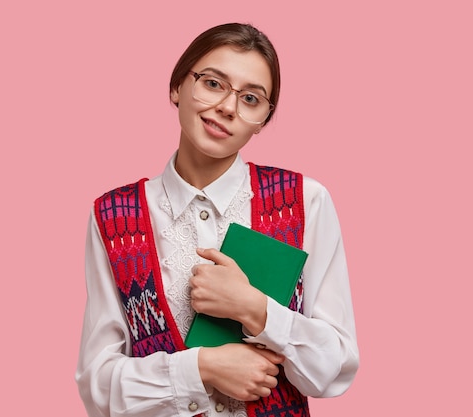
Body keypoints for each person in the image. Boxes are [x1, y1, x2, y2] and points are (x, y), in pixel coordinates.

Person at [76, 22, 359, 417]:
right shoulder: (113, 215)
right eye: (212, 83)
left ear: (263, 119)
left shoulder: (305, 201)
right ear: (177, 86)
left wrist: (255, 309)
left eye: (250, 98)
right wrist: (201, 368)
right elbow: (97, 385)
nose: (227, 107)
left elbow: (335, 369)